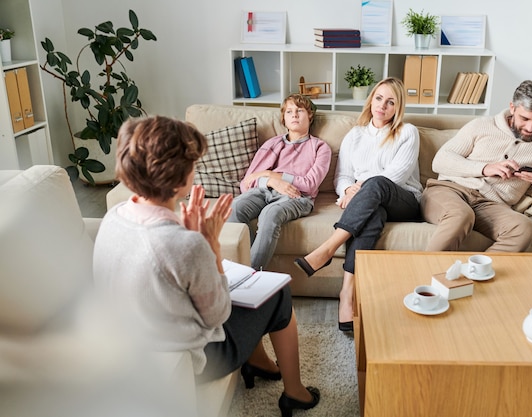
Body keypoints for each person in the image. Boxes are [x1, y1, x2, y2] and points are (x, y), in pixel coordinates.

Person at [93, 116, 320, 416]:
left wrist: (194, 240)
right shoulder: (184, 245)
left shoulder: (114, 216)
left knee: (248, 287)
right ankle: (295, 393)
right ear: (182, 177)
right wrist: (209, 245)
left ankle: (259, 363)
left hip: (133, 340)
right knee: (278, 294)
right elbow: (219, 313)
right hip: (196, 357)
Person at [294, 77, 423, 331]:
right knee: (373, 216)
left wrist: (359, 188)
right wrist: (347, 190)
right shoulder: (355, 135)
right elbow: (341, 176)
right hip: (371, 202)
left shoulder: (408, 132)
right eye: (378, 98)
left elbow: (395, 175)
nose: (382, 106)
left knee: (376, 184)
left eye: (390, 102)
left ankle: (328, 248)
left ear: (398, 108)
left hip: (404, 200)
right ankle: (347, 294)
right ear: (371, 99)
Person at [421, 80, 532, 252]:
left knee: (523, 229)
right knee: (461, 216)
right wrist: (485, 168)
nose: (530, 127)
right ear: (512, 108)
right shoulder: (481, 126)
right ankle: (426, 275)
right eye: (525, 118)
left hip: (491, 205)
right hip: (450, 190)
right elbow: (441, 160)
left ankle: (475, 276)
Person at [228, 94, 331, 271]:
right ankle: (244, 271)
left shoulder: (320, 147)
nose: (295, 115)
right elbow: (246, 184)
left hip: (297, 197)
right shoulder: (272, 144)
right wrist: (271, 181)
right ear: (283, 118)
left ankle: (249, 276)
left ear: (310, 116)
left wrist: (274, 175)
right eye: (289, 111)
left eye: (300, 111)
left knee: (270, 213)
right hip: (264, 190)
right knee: (234, 208)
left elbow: (310, 184)